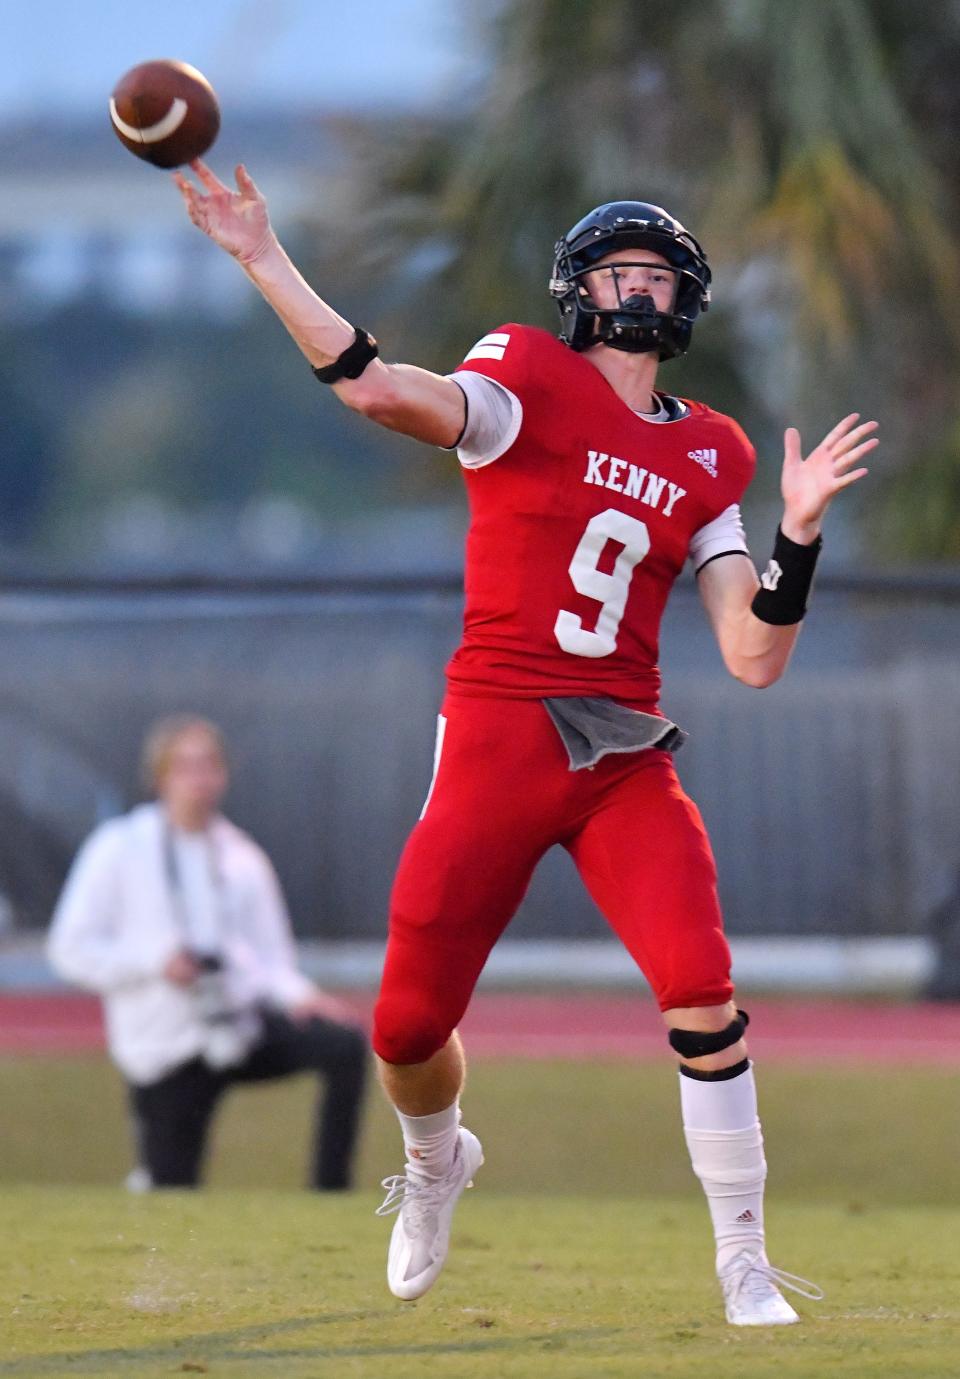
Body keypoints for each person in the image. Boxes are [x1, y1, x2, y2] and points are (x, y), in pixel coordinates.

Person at [172, 161, 877, 1324]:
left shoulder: (713, 453)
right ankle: (439, 1155)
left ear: (687, 297)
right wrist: (263, 256)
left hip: (620, 750)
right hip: (501, 731)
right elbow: (385, 393)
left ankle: (744, 1259)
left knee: (702, 985)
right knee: (404, 1025)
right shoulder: (523, 376)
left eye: (660, 272)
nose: (643, 287)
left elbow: (754, 653)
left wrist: (798, 532)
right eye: (623, 270)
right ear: (580, 290)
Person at [47, 715, 368, 1191]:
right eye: (185, 766)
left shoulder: (242, 855)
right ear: (159, 775)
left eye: (209, 765)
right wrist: (155, 963)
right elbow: (68, 949)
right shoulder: (118, 849)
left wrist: (301, 997)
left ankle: (330, 1195)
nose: (199, 779)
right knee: (172, 1191)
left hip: (237, 1027)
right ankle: (151, 1180)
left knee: (344, 1046)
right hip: (165, 1047)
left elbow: (271, 960)